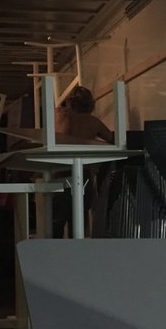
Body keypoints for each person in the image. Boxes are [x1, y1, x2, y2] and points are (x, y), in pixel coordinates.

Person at [53, 86, 114, 238]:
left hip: (61, 173)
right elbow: (113, 140)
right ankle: (78, 252)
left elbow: (57, 142)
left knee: (55, 224)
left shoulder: (62, 115)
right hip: (83, 174)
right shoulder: (94, 122)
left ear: (70, 101)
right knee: (79, 223)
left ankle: (52, 253)